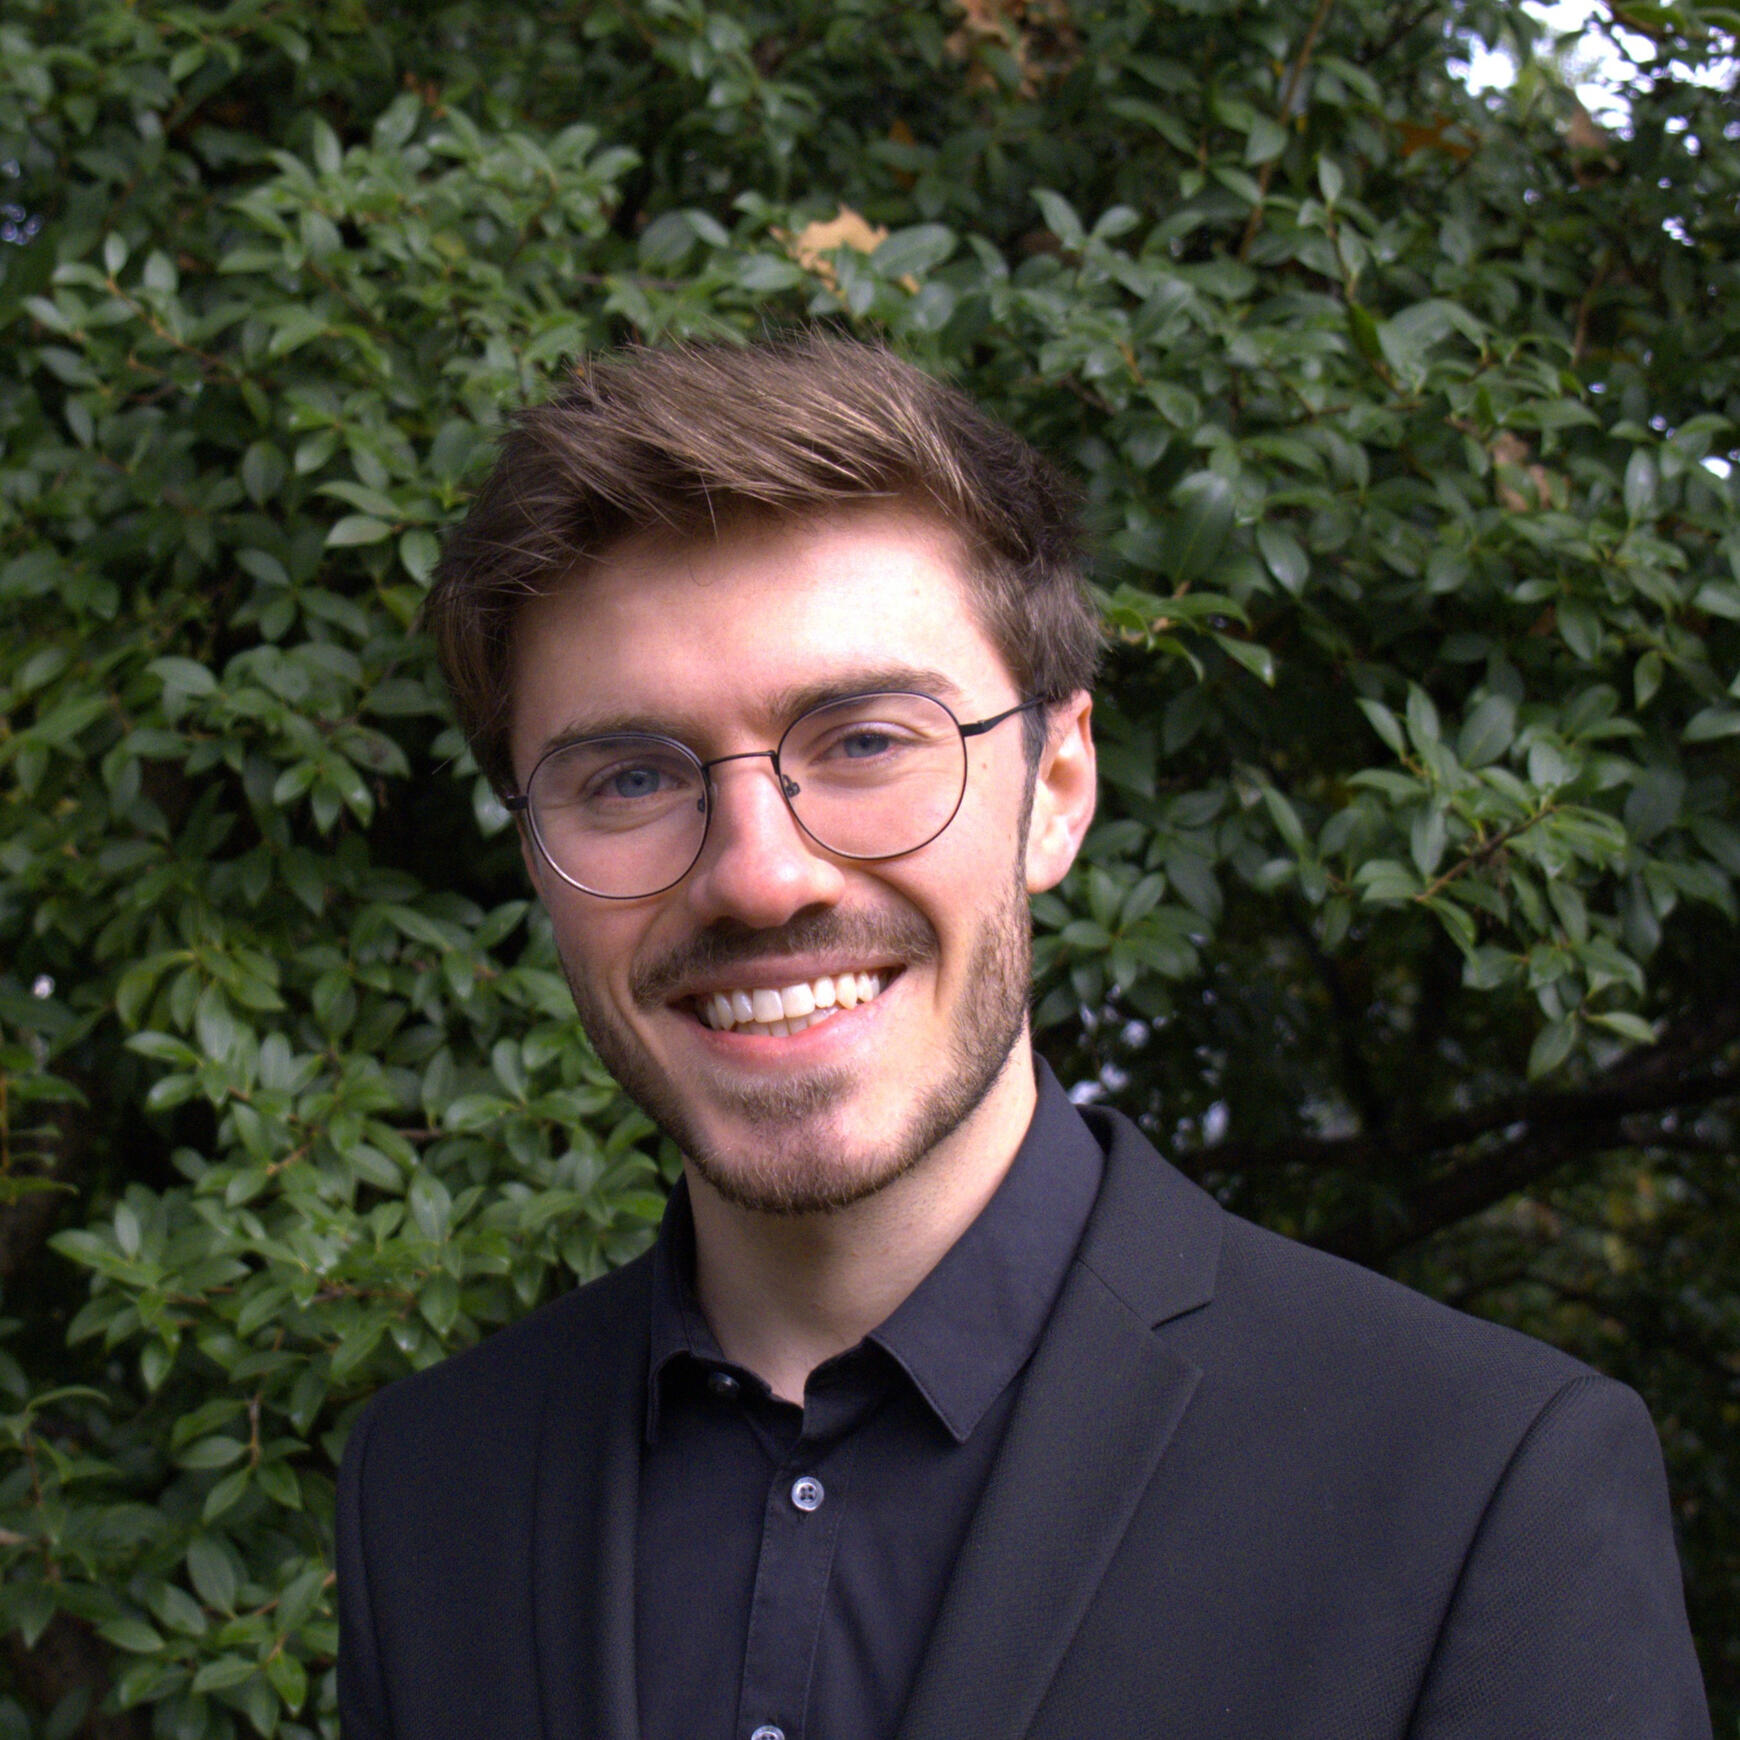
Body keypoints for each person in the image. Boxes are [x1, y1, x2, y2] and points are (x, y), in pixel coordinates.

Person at [335, 334, 1710, 1740]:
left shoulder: (1477, 1484)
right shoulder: (426, 1489)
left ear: (1056, 787)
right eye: (630, 778)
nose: (758, 876)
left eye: (866, 741)